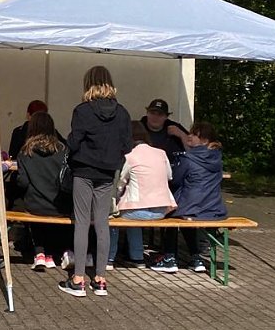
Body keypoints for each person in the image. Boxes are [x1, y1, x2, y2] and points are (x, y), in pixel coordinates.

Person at [59, 65, 131, 298]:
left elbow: (74, 141)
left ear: (87, 83)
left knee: (81, 222)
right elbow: (127, 146)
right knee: (102, 224)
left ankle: (78, 278)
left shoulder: (82, 111)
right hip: (107, 173)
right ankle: (100, 279)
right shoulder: (122, 113)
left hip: (84, 171)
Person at [151, 122, 227, 274]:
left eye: (194, 134)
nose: (189, 136)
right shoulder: (217, 158)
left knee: (171, 214)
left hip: (193, 207)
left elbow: (175, 180)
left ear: (204, 140)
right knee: (187, 218)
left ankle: (169, 257)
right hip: (214, 209)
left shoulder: (189, 158)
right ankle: (196, 258)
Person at [109, 121, 177, 269]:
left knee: (113, 218)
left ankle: (109, 258)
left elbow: (121, 183)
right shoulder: (161, 153)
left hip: (137, 211)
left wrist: (118, 197)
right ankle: (137, 258)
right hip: (161, 211)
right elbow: (169, 176)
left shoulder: (130, 156)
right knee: (135, 218)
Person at [15, 111, 73, 271]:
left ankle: (40, 253)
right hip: (60, 205)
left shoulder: (25, 152)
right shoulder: (63, 150)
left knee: (30, 209)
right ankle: (57, 253)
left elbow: (23, 182)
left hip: (36, 205)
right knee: (60, 214)